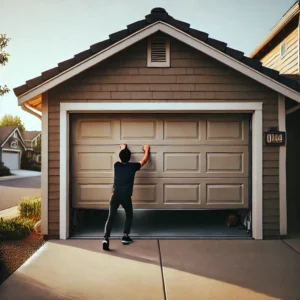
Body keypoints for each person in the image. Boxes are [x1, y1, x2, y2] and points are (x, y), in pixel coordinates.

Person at [102, 143, 150, 251]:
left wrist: (123, 148)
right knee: (129, 214)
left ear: (120, 157)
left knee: (111, 216)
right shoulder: (133, 167)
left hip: (115, 195)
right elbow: (144, 161)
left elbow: (122, 157)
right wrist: (146, 150)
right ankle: (125, 236)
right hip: (125, 196)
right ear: (129, 158)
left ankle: (105, 238)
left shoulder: (116, 165)